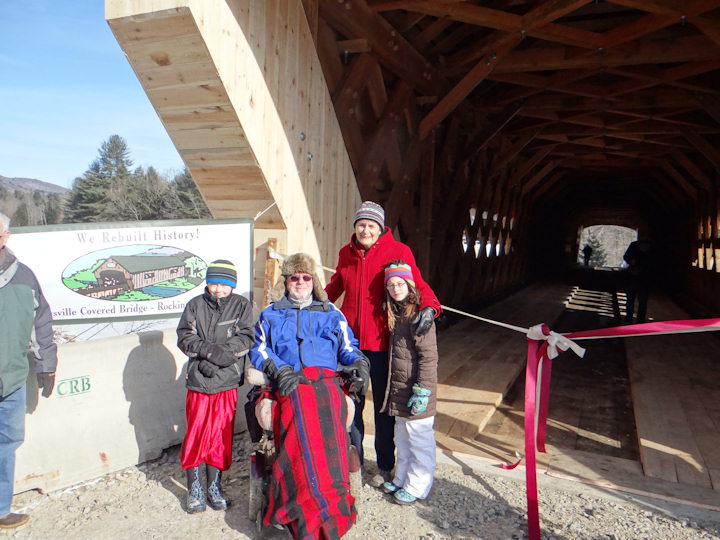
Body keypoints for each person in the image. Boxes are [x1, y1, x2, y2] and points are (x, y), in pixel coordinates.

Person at [250, 252, 369, 539]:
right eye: (294, 277)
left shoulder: (331, 313)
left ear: (313, 281)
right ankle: (302, 498)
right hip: (289, 382)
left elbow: (348, 347)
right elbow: (259, 350)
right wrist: (279, 370)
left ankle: (328, 500)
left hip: (325, 381)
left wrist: (358, 363)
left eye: (305, 277)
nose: (300, 282)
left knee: (331, 412)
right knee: (298, 417)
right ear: (286, 281)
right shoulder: (270, 314)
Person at [325, 201, 441, 487]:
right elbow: (334, 287)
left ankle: (385, 465)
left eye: (371, 226)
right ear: (355, 227)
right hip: (351, 345)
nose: (366, 230)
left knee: (383, 409)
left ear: (380, 228)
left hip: (383, 343)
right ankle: (353, 461)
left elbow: (417, 285)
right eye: (361, 225)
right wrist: (308, 304)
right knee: (351, 405)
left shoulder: (398, 252)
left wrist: (431, 307)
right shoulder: (346, 254)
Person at [176, 259, 254, 514]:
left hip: (227, 381)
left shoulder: (241, 306)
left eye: (223, 284)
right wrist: (208, 354)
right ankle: (195, 487)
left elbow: (246, 338)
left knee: (220, 434)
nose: (218, 289)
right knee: (197, 434)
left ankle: (214, 486)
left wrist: (221, 359)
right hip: (199, 381)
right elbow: (185, 337)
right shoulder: (195, 305)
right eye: (213, 284)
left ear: (232, 285)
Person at [0, 211, 57, 530]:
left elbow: (42, 323)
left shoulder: (24, 276)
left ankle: (1, 508)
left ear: (6, 238)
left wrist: (47, 366)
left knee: (7, 443)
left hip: (12, 379)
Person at [379, 261, 437, 505]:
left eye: (400, 283)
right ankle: (402, 477)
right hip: (401, 390)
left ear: (410, 284)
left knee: (419, 438)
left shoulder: (418, 316)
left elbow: (428, 357)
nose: (395, 288)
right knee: (401, 436)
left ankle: (419, 485)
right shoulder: (396, 312)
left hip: (417, 390)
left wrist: (423, 390)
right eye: (391, 284)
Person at [623, 238, 653, 323]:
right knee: (634, 300)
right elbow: (626, 257)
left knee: (637, 300)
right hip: (637, 276)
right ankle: (633, 319)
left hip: (643, 277)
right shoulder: (635, 245)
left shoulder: (635, 245)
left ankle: (634, 319)